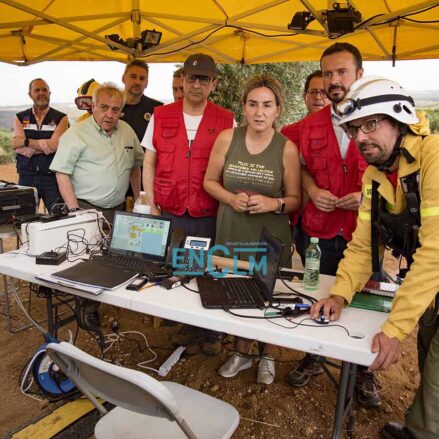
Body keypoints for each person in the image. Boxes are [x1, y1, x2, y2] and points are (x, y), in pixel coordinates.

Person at [312, 77, 436, 439]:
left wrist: (395, 329)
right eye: (354, 130)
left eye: (370, 124)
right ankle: (419, 427)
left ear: (399, 120)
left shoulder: (434, 155)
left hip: (433, 272)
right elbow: (365, 246)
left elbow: (434, 252)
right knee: (430, 364)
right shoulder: (375, 175)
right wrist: (339, 294)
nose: (361, 138)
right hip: (431, 291)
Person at [283, 43, 379, 408]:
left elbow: (394, 173)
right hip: (318, 230)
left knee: (365, 305)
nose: (333, 80)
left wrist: (365, 196)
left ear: (359, 75)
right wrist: (310, 188)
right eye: (328, 73)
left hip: (364, 233)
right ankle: (315, 354)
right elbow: (302, 167)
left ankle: (363, 373)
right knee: (317, 296)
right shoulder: (309, 125)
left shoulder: (379, 121)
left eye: (341, 72)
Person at [204, 73, 301, 384]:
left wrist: (273, 204)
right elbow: (209, 182)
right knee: (235, 290)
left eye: (267, 105)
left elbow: (296, 199)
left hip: (269, 236)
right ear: (243, 107)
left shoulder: (286, 148)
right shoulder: (226, 138)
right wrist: (231, 198)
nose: (259, 112)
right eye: (253, 104)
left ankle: (267, 354)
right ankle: (242, 352)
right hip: (231, 228)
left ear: (277, 110)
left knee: (269, 294)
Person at [142, 53, 234, 355]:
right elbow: (149, 162)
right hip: (172, 207)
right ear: (182, 80)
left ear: (213, 84)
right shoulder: (161, 115)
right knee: (181, 268)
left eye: (204, 79)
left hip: (208, 210)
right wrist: (151, 203)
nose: (196, 84)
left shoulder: (226, 118)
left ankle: (211, 331)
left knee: (208, 269)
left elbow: (230, 166)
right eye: (191, 78)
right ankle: (189, 325)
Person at [50, 82, 143, 224]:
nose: (110, 115)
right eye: (104, 108)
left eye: (115, 110)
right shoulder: (76, 133)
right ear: (93, 107)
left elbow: (135, 166)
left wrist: (138, 200)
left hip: (118, 210)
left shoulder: (127, 131)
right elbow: (62, 173)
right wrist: (75, 211)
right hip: (85, 209)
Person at [281, 70, 330, 231]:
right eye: (313, 92)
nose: (318, 97)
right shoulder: (289, 132)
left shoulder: (345, 132)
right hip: (300, 217)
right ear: (305, 97)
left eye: (323, 92)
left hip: (333, 215)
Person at [12, 78, 69, 211]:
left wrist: (26, 141)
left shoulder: (61, 118)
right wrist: (46, 147)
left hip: (53, 178)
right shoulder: (20, 117)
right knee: (25, 220)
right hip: (26, 178)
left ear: (50, 93)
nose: (41, 93)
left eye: (44, 90)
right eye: (37, 90)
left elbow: (56, 145)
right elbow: (18, 148)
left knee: (58, 218)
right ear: (30, 94)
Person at [121, 59, 163, 142]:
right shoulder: (112, 107)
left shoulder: (157, 109)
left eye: (142, 78)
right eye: (133, 76)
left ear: (146, 83)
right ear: (123, 78)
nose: (137, 82)